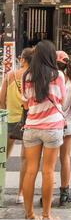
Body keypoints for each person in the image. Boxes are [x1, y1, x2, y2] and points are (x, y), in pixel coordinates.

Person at [21, 40, 66, 220]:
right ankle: (46, 215)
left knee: (30, 171)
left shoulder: (27, 76)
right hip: (52, 128)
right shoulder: (58, 76)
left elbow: (25, 103)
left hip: (32, 126)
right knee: (48, 171)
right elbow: (61, 100)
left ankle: (30, 214)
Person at [0, 48, 34, 204]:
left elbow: (1, 100)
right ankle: (20, 194)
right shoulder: (34, 77)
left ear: (22, 60)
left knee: (3, 155)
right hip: (28, 121)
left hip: (11, 120)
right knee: (25, 160)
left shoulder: (10, 76)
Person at [56, 50, 71, 207]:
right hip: (68, 122)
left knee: (49, 163)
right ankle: (64, 194)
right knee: (65, 158)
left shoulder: (51, 78)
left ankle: (46, 193)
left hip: (51, 123)